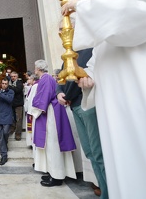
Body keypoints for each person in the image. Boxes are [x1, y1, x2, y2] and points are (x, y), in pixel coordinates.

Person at [61, 0, 146, 198]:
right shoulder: (101, 47)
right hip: (119, 124)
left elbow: (122, 13)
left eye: (91, 0)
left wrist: (79, 4)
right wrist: (85, 82)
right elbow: (94, 75)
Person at [56, 48, 107, 198]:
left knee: (98, 153)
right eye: (60, 30)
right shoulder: (66, 55)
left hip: (87, 104)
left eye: (65, 29)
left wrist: (67, 95)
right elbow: (61, 77)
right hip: (74, 106)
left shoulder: (89, 49)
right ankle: (104, 190)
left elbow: (74, 80)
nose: (63, 33)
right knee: (89, 152)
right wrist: (59, 91)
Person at [30, 59, 76, 187]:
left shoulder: (45, 79)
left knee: (53, 145)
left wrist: (35, 110)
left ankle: (57, 177)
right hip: (52, 112)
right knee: (50, 146)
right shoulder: (48, 78)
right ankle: (53, 172)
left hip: (51, 115)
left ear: (37, 69)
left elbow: (43, 97)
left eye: (35, 68)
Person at [23, 74, 38, 147]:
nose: (28, 80)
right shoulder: (33, 86)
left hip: (31, 111)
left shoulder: (35, 86)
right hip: (29, 110)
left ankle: (32, 143)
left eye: (29, 79)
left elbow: (31, 99)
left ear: (33, 79)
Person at [8, 71, 24, 140]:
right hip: (11, 103)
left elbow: (18, 90)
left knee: (19, 119)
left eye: (14, 76)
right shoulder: (9, 82)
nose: (13, 78)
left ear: (17, 77)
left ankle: (18, 134)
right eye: (11, 76)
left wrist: (9, 87)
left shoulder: (19, 82)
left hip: (18, 103)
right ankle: (12, 129)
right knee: (12, 118)